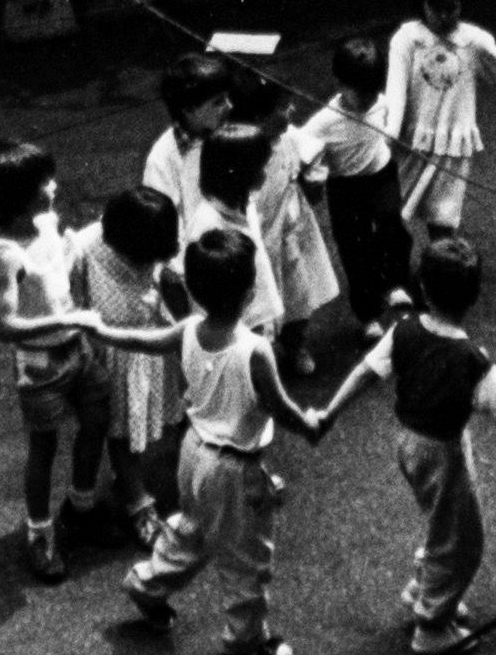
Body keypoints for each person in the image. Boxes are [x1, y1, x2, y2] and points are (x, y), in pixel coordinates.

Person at [320, 230, 496, 655]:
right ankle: (431, 624)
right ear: (473, 297)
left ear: (423, 287)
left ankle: (426, 586)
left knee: (442, 522)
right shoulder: (472, 359)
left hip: (408, 442)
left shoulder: (403, 330)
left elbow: (365, 372)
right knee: (463, 540)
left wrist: (329, 412)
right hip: (443, 451)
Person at [102, 223, 327, 650]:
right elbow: (281, 409)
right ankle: (247, 641)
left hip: (194, 452)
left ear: (195, 290)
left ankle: (147, 584)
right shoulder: (254, 350)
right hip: (233, 468)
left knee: (192, 531)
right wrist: (311, 425)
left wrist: (99, 329)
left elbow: (141, 340)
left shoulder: (188, 329)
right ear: (250, 291)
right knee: (246, 559)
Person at [0, 136, 111, 582]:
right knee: (44, 445)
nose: (54, 185)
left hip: (77, 348)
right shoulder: (7, 255)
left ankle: (82, 505)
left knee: (97, 420)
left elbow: (56, 274)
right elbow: (6, 325)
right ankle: (39, 531)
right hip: (40, 365)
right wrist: (68, 320)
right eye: (45, 182)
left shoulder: (47, 223)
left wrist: (73, 249)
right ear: (20, 198)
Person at [383, 0, 496, 233]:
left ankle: (443, 255)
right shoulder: (407, 40)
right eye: (436, 9)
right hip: (411, 140)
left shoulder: (473, 41)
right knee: (393, 209)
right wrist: (389, 132)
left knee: (442, 216)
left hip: (452, 141)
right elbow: (396, 91)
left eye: (451, 8)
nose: (444, 16)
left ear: (461, 4)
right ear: (423, 6)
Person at [78, 184, 188, 542]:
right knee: (122, 433)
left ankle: (166, 479)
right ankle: (138, 502)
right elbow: (68, 298)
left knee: (158, 419)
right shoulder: (84, 247)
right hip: (112, 354)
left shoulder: (158, 247)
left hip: (152, 343)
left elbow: (174, 289)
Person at [226, 65, 343, 377]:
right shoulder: (240, 150)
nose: (292, 110)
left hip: (290, 231)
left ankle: (295, 344)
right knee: (258, 304)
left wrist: (312, 178)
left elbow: (313, 153)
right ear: (260, 117)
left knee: (298, 295)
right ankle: (256, 359)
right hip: (258, 239)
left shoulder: (289, 136)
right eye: (283, 107)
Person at [297, 34, 413, 324]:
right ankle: (368, 315)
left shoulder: (380, 103)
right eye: (360, 93)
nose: (367, 100)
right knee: (355, 249)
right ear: (339, 83)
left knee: (393, 228)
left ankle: (395, 283)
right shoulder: (324, 122)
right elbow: (299, 149)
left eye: (372, 92)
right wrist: (313, 173)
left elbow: (389, 122)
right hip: (346, 188)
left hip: (382, 175)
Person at [198, 122, 289, 332]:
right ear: (238, 173)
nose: (265, 173)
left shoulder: (246, 203)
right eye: (260, 167)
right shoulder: (209, 225)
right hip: (237, 326)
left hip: (260, 314)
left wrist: (271, 309)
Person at [146, 52, 237, 247]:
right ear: (188, 109)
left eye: (227, 98)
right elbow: (162, 225)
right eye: (218, 102)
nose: (229, 106)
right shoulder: (163, 158)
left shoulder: (226, 137)